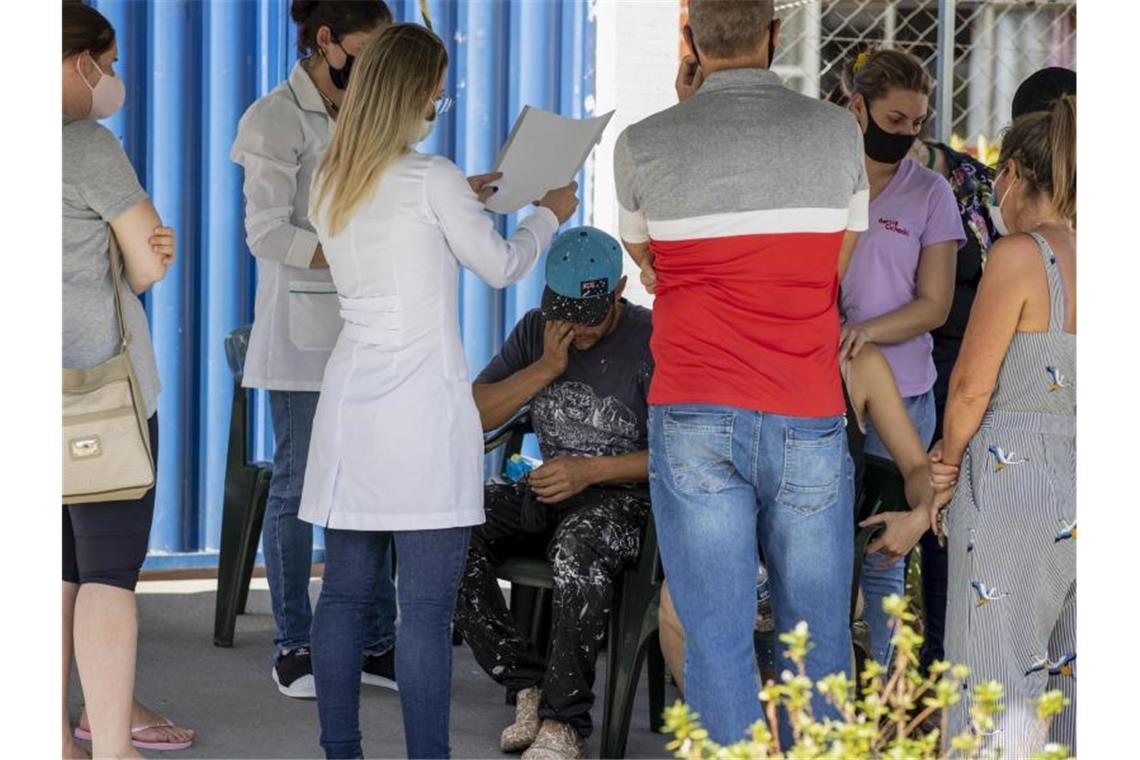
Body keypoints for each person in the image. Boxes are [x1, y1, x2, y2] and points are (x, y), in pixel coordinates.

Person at [298, 23, 579, 759]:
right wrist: (547, 213)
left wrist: (471, 189)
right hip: (419, 415)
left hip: (352, 407)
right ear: (416, 94)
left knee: (348, 598)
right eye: (438, 91)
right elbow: (504, 266)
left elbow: (406, 221)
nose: (439, 102)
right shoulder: (432, 179)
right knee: (421, 612)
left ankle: (342, 751)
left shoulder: (334, 175)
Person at [613, 0, 868, 743]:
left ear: (689, 41)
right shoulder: (836, 132)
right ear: (775, 36)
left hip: (693, 410)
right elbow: (835, 265)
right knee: (816, 640)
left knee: (715, 633)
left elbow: (651, 265)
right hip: (806, 409)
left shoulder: (643, 143)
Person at [230, 0, 399, 699]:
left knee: (375, 489)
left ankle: (377, 642)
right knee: (300, 488)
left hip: (369, 329)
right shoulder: (274, 117)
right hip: (301, 336)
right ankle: (294, 641)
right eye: (369, 48)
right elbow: (266, 232)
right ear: (327, 41)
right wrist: (348, 255)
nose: (377, 66)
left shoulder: (365, 114)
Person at [453, 228, 653, 760]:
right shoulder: (538, 332)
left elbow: (679, 457)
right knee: (449, 528)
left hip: (624, 499)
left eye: (587, 315)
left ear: (620, 290)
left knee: (578, 546)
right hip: (549, 487)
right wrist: (544, 368)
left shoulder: (654, 340)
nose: (574, 329)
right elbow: (473, 414)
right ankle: (528, 686)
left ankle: (566, 722)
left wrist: (590, 472)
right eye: (563, 311)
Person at [905, 65, 1074, 672]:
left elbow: (972, 386)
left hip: (1013, 486)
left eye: (998, 174)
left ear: (1016, 173)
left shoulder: (1018, 255)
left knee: (993, 679)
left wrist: (945, 467)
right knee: (1068, 681)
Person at [62, 2, 194, 756]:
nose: (110, 81)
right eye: (106, 67)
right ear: (80, 63)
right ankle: (111, 748)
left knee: (54, 567)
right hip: (98, 398)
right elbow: (147, 261)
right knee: (108, 573)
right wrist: (136, 252)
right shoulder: (85, 143)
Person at [658, 343, 937, 691]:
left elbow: (916, 466)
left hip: (820, 559)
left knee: (820, 617)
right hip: (743, 548)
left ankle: (789, 732)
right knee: (676, 603)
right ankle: (738, 736)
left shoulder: (856, 363)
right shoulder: (735, 348)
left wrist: (922, 514)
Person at [838, 49, 965, 668]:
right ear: (856, 106)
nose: (907, 137)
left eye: (917, 124)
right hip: (826, 389)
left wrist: (864, 330)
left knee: (885, 555)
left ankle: (884, 703)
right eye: (893, 122)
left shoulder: (931, 190)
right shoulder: (824, 178)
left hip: (906, 394)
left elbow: (936, 304)